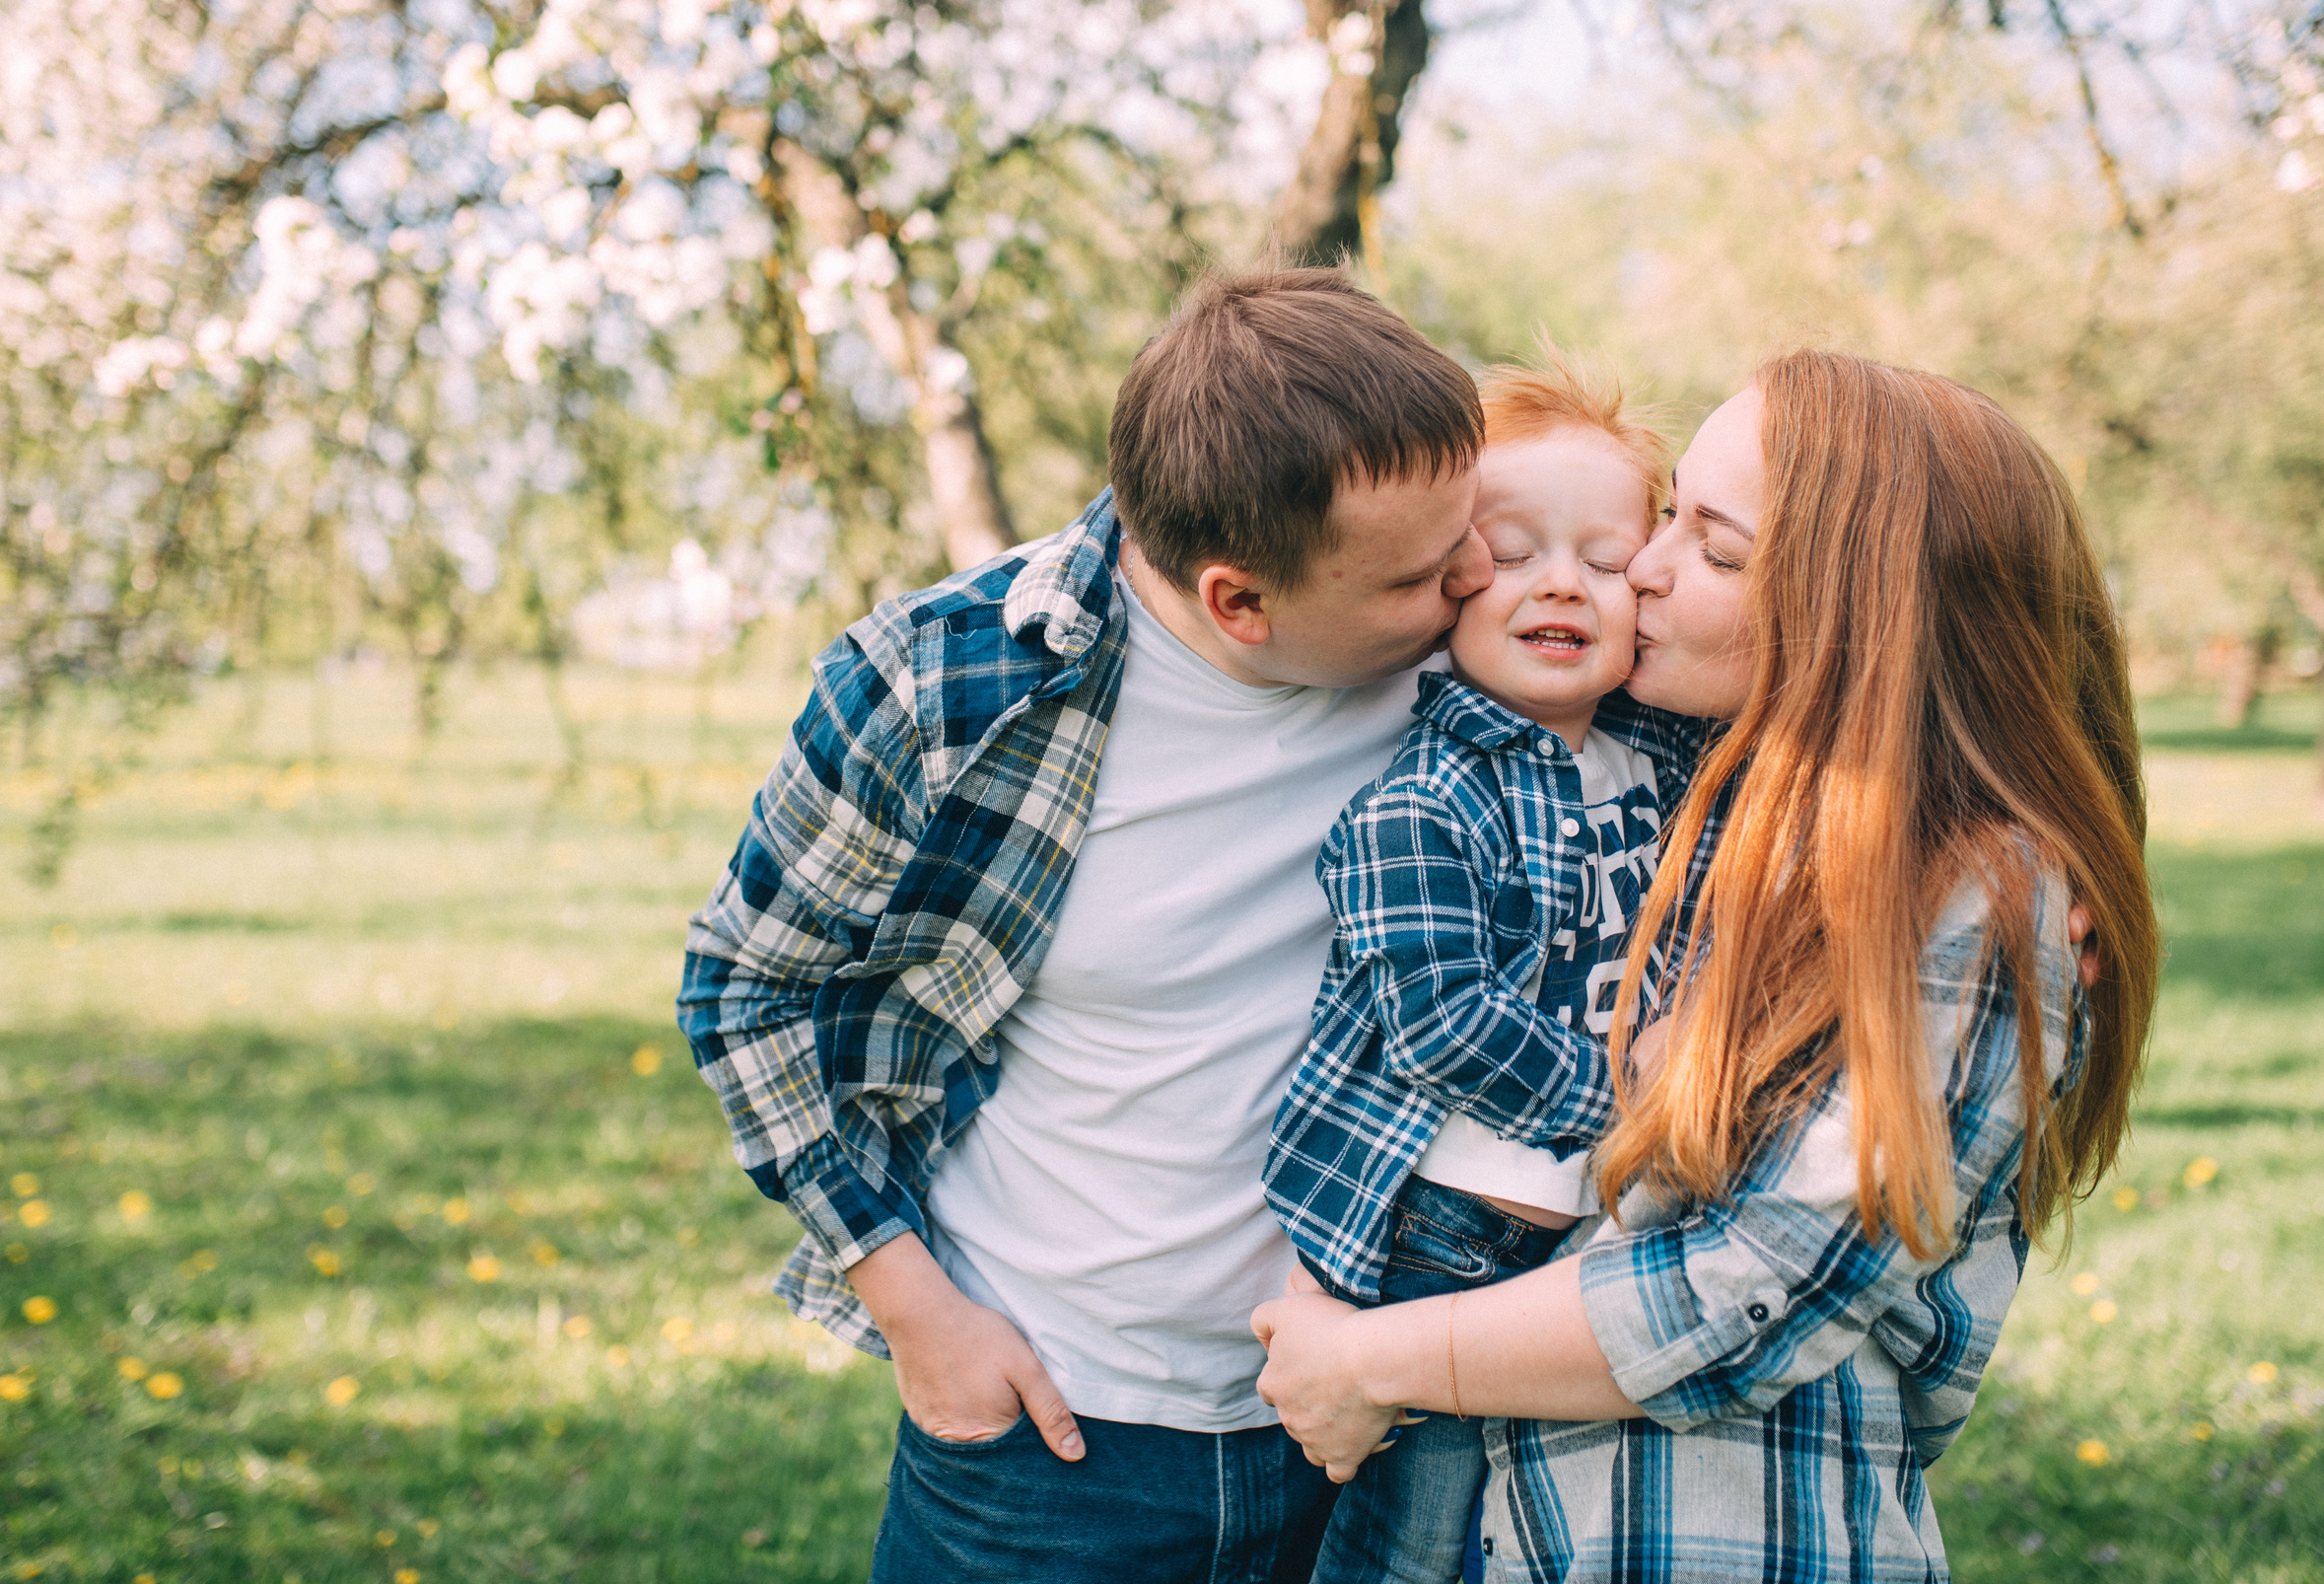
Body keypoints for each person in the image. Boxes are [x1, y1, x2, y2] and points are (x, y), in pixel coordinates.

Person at [1251, 349, 2160, 1582]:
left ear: (1865, 617)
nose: (1645, 565)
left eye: (1717, 550)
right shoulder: (1694, 794)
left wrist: (1372, 1359)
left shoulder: (1974, 895)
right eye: (1669, 510)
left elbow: (1761, 1281)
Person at [676, 260, 1502, 1583]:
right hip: (1054, 1450)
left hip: (1368, 1430)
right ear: (1241, 600)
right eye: (1416, 576)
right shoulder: (944, 687)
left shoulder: (1485, 661)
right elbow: (746, 992)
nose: (1474, 579)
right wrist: (911, 1304)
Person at [1263, 356, 1711, 1584]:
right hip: (1441, 1234)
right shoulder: (1425, 801)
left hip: (1584, 1234)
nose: (1560, 581)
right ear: (1447, 580)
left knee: (1528, 1543)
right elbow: (1443, 1025)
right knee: (1412, 1546)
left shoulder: (1666, 762)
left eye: (1607, 560)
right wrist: (1644, 1104)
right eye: (1509, 553)